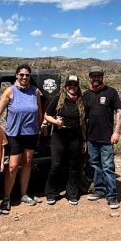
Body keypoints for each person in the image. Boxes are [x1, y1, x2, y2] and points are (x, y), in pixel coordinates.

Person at [0, 64, 42, 211]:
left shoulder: (35, 92)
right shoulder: (10, 91)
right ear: (16, 75)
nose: (24, 77)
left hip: (31, 133)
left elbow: (39, 113)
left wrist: (39, 131)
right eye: (21, 74)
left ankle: (24, 194)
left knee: (27, 164)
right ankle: (7, 197)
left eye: (27, 75)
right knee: (13, 166)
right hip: (14, 134)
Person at [83, 66, 121, 209]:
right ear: (89, 77)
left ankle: (112, 196)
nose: (96, 78)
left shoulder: (111, 92)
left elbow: (119, 111)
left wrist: (117, 132)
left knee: (108, 167)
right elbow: (82, 118)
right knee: (95, 165)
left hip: (106, 138)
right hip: (91, 137)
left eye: (98, 76)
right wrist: (84, 138)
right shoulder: (86, 94)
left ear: (102, 77)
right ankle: (99, 190)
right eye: (93, 76)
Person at [44, 75, 86, 206]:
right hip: (59, 136)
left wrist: (84, 140)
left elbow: (83, 123)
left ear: (77, 86)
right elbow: (46, 115)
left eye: (74, 84)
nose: (71, 87)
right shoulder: (58, 99)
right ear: (65, 85)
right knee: (56, 164)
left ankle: (72, 193)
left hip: (75, 136)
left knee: (73, 166)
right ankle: (51, 192)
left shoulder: (80, 101)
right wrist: (56, 122)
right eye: (69, 84)